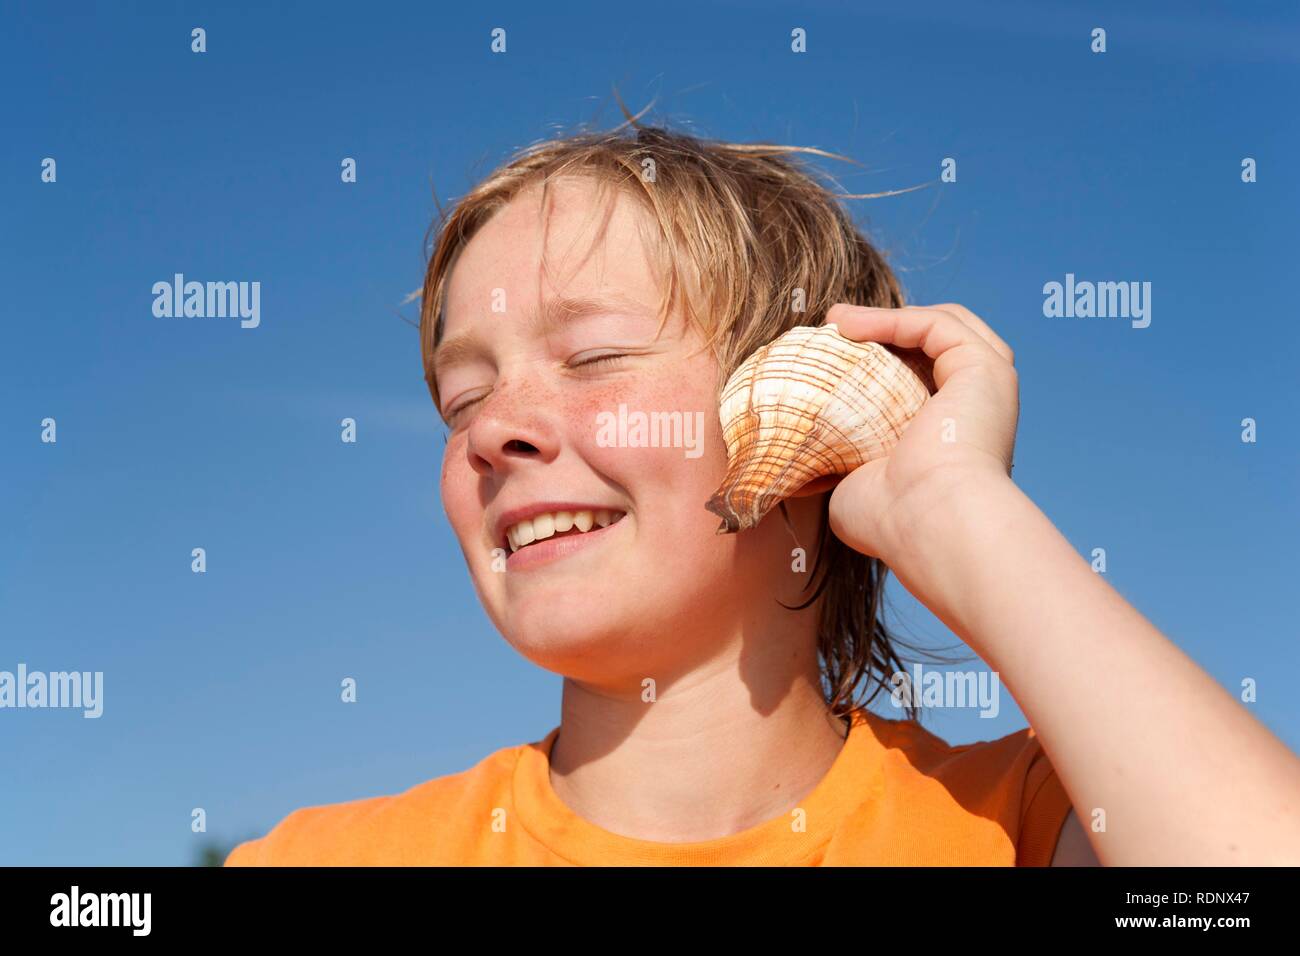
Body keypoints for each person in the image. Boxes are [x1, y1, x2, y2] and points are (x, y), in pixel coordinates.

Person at [225, 123, 1300, 866]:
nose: (494, 428)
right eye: (464, 396)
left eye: (592, 355)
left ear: (791, 406)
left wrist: (957, 510)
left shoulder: (1013, 827)